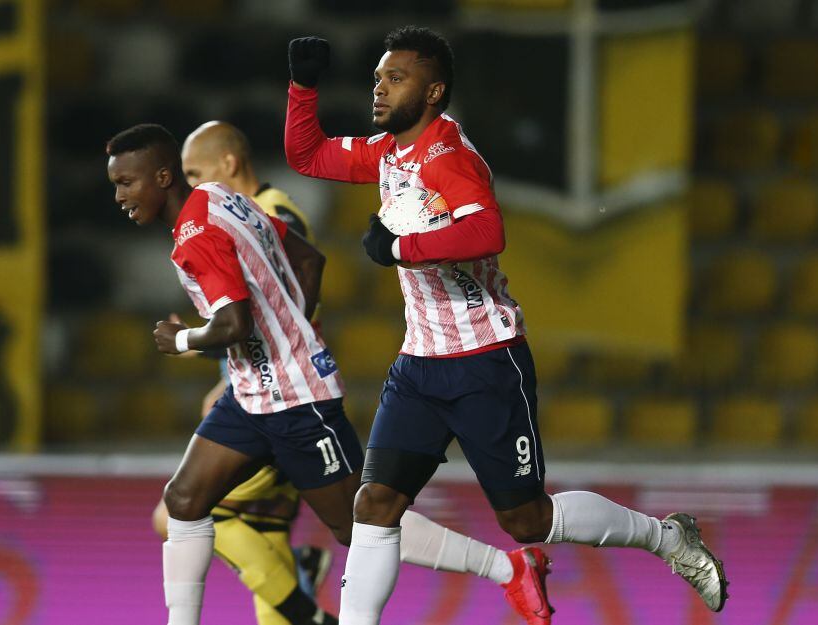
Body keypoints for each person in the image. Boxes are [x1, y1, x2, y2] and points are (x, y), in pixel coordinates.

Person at [283, 26, 729, 625]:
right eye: (377, 79)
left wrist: (400, 247)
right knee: (376, 504)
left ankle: (668, 539)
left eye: (395, 78)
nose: (379, 89)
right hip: (418, 365)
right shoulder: (387, 153)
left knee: (526, 520)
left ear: (434, 90)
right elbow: (306, 155)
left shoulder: (450, 157)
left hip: (485, 361)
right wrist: (302, 88)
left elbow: (488, 231)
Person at [106, 123, 556, 625]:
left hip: (299, 401)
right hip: (251, 395)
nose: (119, 196)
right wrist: (290, 321)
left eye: (126, 183)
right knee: (183, 501)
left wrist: (183, 339)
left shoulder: (196, 236)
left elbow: (233, 321)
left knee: (359, 525)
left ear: (163, 177)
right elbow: (308, 257)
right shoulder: (218, 197)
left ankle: (505, 566)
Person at [149, 120, 335, 625]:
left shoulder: (270, 211)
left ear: (228, 164)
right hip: (270, 391)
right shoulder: (258, 208)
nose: (187, 185)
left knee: (176, 514)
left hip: (280, 400)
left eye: (193, 172)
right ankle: (299, 581)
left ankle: (308, 608)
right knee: (264, 528)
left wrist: (215, 360)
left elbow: (274, 315)